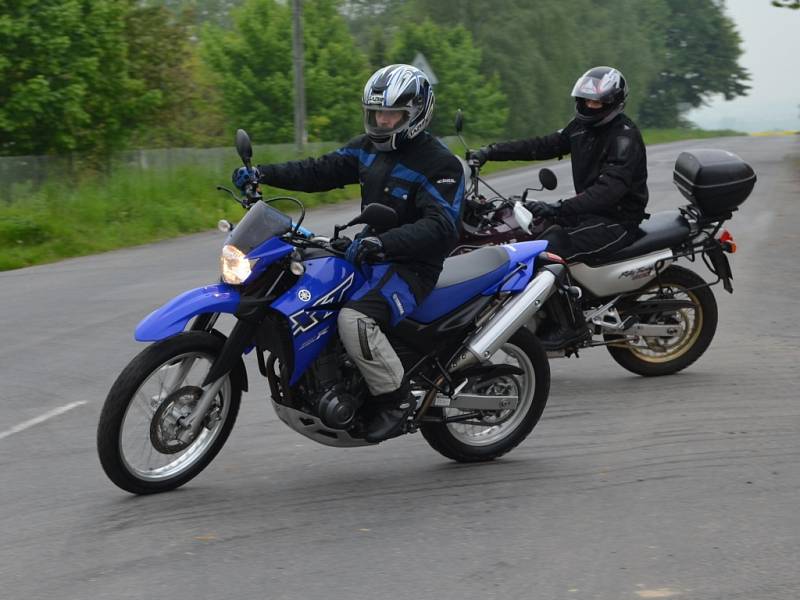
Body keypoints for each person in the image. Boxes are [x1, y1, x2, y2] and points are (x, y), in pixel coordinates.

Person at [233, 64, 464, 442]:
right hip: (369, 253)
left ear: (416, 114)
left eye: (393, 115)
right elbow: (318, 170)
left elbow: (442, 227)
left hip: (411, 267)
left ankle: (397, 400)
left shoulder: (440, 164)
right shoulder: (367, 148)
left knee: (355, 320)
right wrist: (263, 173)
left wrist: (383, 243)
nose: (383, 121)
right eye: (377, 114)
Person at [468, 66, 649, 349]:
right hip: (589, 215)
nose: (590, 106)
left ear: (613, 103)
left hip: (617, 220)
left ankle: (570, 325)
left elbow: (607, 192)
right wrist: (491, 151)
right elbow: (541, 145)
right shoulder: (581, 128)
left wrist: (558, 208)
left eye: (598, 102)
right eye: (587, 100)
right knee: (529, 236)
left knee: (549, 251)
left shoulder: (623, 138)